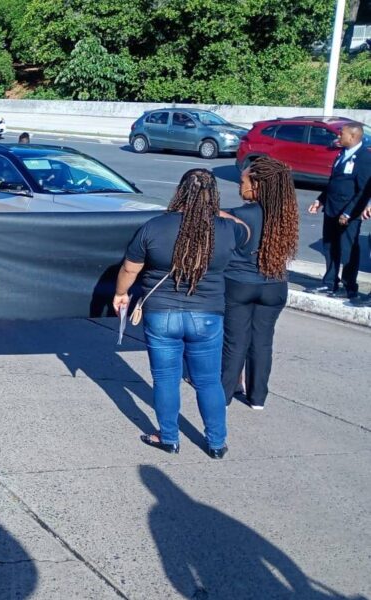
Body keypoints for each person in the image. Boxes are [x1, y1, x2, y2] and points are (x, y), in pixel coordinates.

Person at [113, 169, 247, 459]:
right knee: (208, 380)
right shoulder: (225, 229)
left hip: (161, 313)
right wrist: (214, 211)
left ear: (179, 191)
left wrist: (121, 293)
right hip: (207, 314)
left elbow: (129, 269)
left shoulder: (155, 226)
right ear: (213, 196)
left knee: (165, 378)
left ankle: (169, 437)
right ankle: (216, 443)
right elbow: (244, 231)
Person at [221, 157, 299, 410]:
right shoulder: (286, 217)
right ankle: (257, 397)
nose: (239, 185)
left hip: (239, 283)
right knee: (263, 341)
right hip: (275, 285)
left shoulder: (238, 215)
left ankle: (225, 393)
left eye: (243, 181)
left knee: (235, 341)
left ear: (257, 184)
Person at [308, 122, 371, 300]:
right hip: (331, 209)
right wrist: (320, 200)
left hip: (348, 213)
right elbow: (334, 182)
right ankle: (329, 283)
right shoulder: (341, 154)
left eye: (341, 134)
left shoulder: (364, 158)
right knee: (330, 248)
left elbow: (364, 191)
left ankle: (349, 286)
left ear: (352, 136)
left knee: (348, 250)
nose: (338, 137)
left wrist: (349, 213)